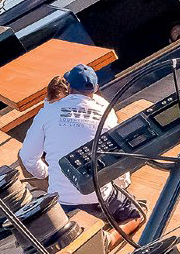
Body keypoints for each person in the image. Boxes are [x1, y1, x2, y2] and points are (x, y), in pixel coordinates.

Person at [19, 64, 124, 243]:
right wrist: (121, 183)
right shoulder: (106, 110)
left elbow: (27, 157)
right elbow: (119, 152)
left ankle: (96, 238)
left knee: (30, 158)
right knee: (136, 214)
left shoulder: (47, 113)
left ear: (69, 87)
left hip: (63, 203)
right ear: (96, 88)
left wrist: (47, 174)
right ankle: (111, 239)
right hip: (101, 198)